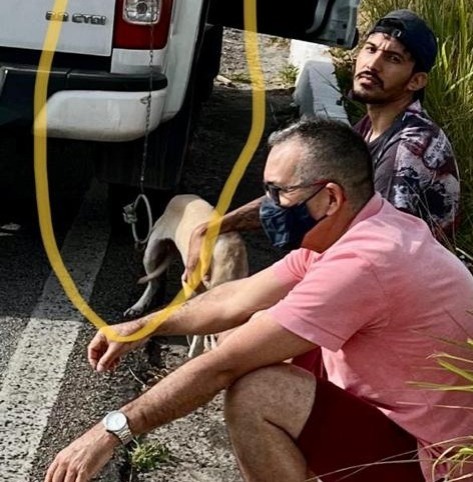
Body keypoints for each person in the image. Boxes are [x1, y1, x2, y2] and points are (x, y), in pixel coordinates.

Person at [45, 118, 473, 482]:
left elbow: (224, 364)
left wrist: (110, 431)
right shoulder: (362, 227)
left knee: (257, 391)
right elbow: (235, 300)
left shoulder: (365, 264)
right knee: (287, 346)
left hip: (433, 464)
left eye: (278, 193)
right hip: (411, 424)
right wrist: (147, 325)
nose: (268, 207)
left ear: (330, 197)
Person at [184, 9, 460, 284]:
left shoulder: (409, 148)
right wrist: (215, 228)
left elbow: (379, 250)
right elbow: (299, 192)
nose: (373, 65)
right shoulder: (367, 128)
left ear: (416, 81)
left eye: (393, 59)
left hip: (402, 294)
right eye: (370, 49)